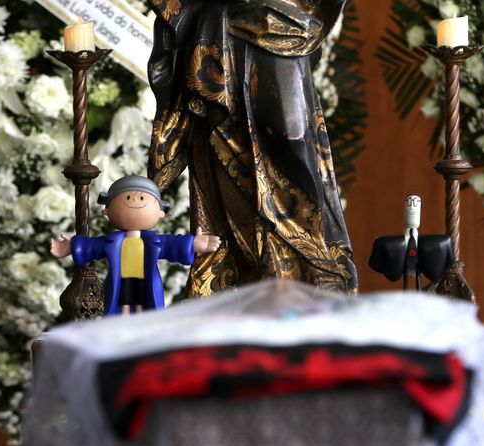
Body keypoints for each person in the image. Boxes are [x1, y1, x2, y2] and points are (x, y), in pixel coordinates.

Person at [146, 0, 358, 297]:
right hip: (225, 27)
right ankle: (254, 268)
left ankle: (312, 256)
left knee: (293, 136)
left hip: (288, 23)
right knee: (225, 143)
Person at [50, 175, 221, 315]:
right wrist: (72, 246)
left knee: (143, 302)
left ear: (160, 212)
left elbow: (172, 244)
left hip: (145, 280)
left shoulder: (153, 242)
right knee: (121, 302)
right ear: (106, 211)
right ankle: (122, 323)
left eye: (142, 197)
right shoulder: (112, 241)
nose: (135, 201)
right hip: (120, 280)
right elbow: (92, 246)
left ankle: (141, 323)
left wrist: (192, 244)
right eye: (128, 197)